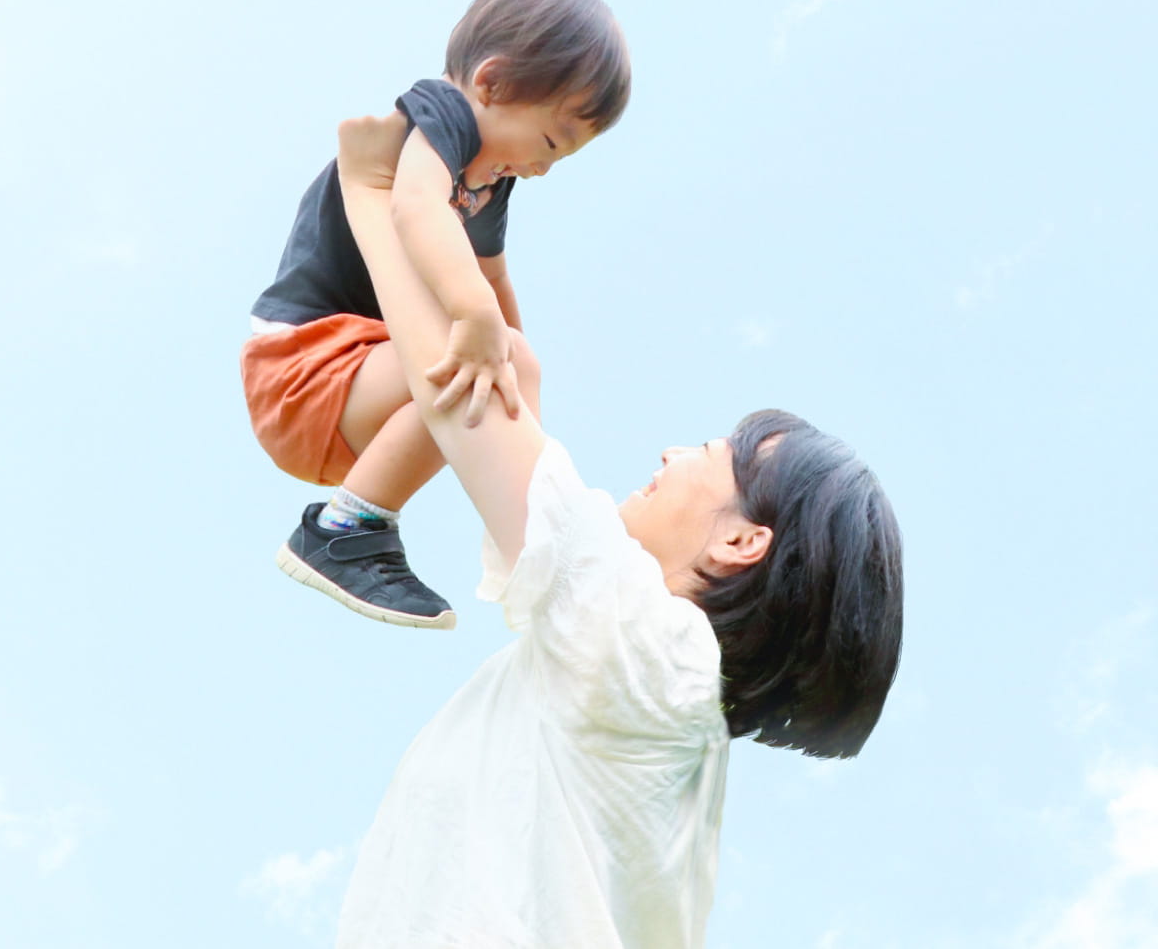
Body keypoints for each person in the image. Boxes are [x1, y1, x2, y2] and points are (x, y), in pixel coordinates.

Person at [329, 110, 905, 948]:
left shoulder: (650, 652)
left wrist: (375, 191)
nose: (672, 454)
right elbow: (513, 424)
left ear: (742, 542)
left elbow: (468, 391)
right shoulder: (661, 718)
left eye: (711, 452)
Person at [241, 0, 631, 629]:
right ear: (492, 84)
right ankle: (345, 530)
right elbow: (415, 205)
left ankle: (529, 544)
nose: (543, 169)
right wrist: (477, 319)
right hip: (303, 365)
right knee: (484, 357)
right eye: (552, 142)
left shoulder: (491, 179)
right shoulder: (440, 116)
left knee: (506, 365)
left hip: (357, 395)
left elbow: (494, 283)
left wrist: (518, 420)